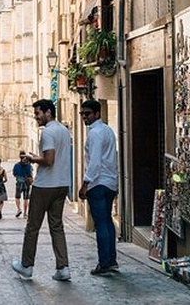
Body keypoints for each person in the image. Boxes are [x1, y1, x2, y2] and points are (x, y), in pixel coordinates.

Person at [11, 99, 72, 282]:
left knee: (32, 227)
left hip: (45, 185)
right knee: (57, 226)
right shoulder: (63, 130)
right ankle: (63, 267)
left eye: (38, 113)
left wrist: (31, 158)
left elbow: (49, 160)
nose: (36, 117)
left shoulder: (47, 133)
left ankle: (27, 265)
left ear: (48, 113)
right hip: (62, 184)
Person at [77, 99, 120, 276]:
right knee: (107, 222)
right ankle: (111, 260)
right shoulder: (108, 131)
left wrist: (85, 184)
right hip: (110, 182)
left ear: (97, 114)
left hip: (98, 183)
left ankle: (104, 263)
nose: (84, 117)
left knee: (101, 224)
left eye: (87, 114)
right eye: (82, 114)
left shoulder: (95, 133)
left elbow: (94, 162)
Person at [12, 151, 33, 218]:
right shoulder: (29, 165)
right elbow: (30, 174)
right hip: (27, 183)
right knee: (26, 198)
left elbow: (15, 174)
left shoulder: (16, 165)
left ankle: (19, 209)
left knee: (17, 197)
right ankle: (25, 213)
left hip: (19, 182)